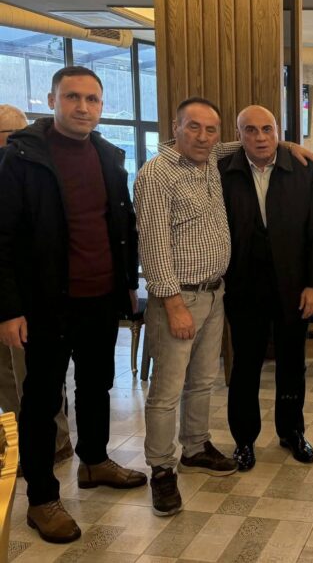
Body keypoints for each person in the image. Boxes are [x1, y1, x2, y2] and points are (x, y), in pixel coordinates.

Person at [0, 67, 147, 543]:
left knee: (97, 386)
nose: (83, 107)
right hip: (45, 303)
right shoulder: (22, 158)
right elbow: (2, 239)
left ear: (102, 106)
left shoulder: (107, 155)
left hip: (100, 297)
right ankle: (42, 498)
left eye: (92, 99)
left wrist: (128, 283)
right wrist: (8, 309)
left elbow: (121, 224)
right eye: (72, 97)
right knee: (43, 401)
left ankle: (95, 462)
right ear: (52, 100)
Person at [135, 97, 239, 517]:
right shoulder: (156, 174)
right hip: (179, 297)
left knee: (202, 379)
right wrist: (173, 303)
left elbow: (239, 145)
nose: (203, 136)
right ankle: (162, 468)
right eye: (193, 127)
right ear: (175, 127)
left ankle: (195, 447)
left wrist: (285, 144)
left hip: (214, 293)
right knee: (167, 389)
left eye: (211, 129)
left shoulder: (209, 158)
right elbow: (153, 244)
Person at [219, 105, 313, 470]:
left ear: (278, 130)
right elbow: (184, 146)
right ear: (238, 134)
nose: (260, 137)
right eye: (250, 130)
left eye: (267, 129)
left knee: (292, 363)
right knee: (245, 366)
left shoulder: (304, 169)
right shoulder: (222, 171)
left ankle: (292, 432)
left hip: (294, 287)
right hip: (243, 288)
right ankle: (244, 440)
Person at [0, 103, 73, 463]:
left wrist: (13, 307)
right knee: (6, 376)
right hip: (8, 295)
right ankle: (17, 442)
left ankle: (52, 444)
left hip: (26, 298)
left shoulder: (28, 170)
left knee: (32, 378)